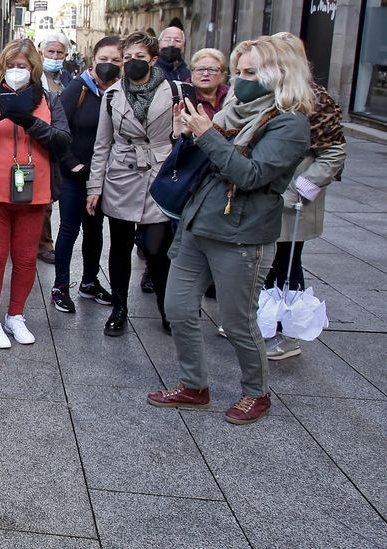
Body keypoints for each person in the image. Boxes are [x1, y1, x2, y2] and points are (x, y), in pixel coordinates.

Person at [148, 37, 313, 425]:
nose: (241, 80)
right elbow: (202, 163)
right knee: (178, 308)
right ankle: (193, 384)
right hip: (198, 224)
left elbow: (251, 175)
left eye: (250, 72)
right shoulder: (232, 111)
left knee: (238, 321)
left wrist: (207, 135)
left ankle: (256, 392)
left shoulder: (290, 124)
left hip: (241, 234)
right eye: (238, 71)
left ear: (279, 75)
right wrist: (185, 134)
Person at [0, 38, 72, 349]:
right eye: (10, 66)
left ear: (33, 68)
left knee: (25, 258)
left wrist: (30, 122)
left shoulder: (49, 99)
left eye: (22, 66)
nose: (16, 71)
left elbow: (62, 141)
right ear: (1, 68)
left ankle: (16, 316)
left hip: (33, 192)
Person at [262, 32, 348, 361]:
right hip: (265, 194)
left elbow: (334, 152)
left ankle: (290, 334)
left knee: (287, 264)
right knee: (265, 263)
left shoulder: (315, 98)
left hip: (292, 200)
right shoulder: (268, 92)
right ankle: (264, 321)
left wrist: (302, 188)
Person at [86, 31, 176, 337]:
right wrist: (94, 187)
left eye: (139, 57)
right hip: (123, 176)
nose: (132, 63)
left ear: (153, 60)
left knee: (157, 249)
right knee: (121, 247)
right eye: (128, 58)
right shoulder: (112, 96)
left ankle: (167, 308)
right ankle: (119, 308)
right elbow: (102, 145)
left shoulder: (174, 91)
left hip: (158, 176)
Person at [50, 36, 122, 314]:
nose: (109, 65)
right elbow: (57, 128)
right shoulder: (78, 89)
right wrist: (72, 163)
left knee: (94, 232)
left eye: (115, 60)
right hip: (74, 176)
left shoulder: (121, 93)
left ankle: (89, 282)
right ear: (93, 59)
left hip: (103, 178)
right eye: (103, 59)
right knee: (69, 230)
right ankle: (60, 287)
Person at [36, 32, 75, 265]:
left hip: (64, 143)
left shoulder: (68, 78)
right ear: (41, 53)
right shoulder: (34, 77)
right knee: (44, 198)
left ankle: (44, 241)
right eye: (51, 52)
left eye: (60, 52)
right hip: (44, 141)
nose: (55, 56)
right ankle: (44, 244)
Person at [189, 48, 229, 118]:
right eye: (200, 69)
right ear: (192, 73)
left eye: (212, 69)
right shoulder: (181, 95)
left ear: (222, 75)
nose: (205, 74)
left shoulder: (231, 96)